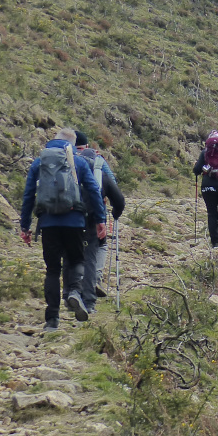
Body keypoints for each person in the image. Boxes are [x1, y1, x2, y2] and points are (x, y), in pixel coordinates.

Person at [19, 128, 106, 332]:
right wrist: (100, 220)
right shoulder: (79, 162)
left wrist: (25, 226)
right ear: (72, 145)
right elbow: (94, 190)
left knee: (52, 270)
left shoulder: (39, 162)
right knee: (77, 260)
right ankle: (74, 291)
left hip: (48, 222)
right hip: (74, 221)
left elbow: (29, 195)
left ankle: (52, 319)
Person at [74, 131, 124, 314]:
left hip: (68, 216)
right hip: (95, 215)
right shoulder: (98, 161)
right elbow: (113, 184)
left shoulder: (66, 160)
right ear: (87, 146)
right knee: (98, 248)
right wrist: (114, 210)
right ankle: (94, 280)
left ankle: (72, 291)